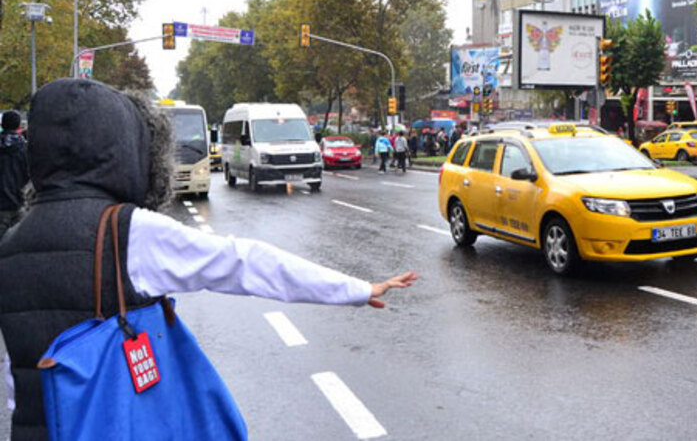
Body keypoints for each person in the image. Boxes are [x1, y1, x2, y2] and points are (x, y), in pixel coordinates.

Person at [0, 79, 417, 439]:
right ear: (123, 149)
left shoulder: (10, 245)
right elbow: (245, 263)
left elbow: (14, 378)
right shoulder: (130, 231)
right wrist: (358, 290)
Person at [0, 111, 29, 237]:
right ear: (18, 126)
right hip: (18, 202)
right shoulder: (24, 148)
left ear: (2, 124)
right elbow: (28, 174)